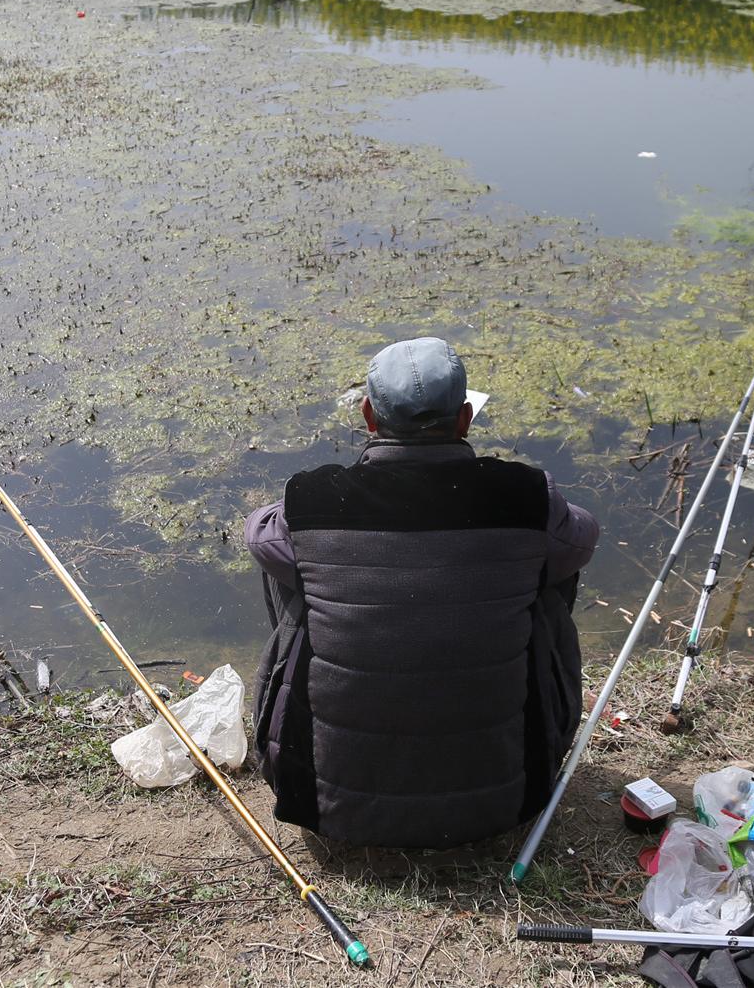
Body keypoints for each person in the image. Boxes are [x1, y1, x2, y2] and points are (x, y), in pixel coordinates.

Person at [245, 337, 599, 849]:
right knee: (547, 568)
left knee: (293, 568)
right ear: (464, 419)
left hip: (327, 804)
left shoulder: (312, 500)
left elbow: (259, 533)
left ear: (368, 415)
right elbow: (582, 536)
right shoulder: (526, 496)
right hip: (506, 802)